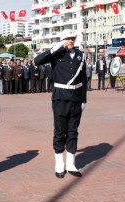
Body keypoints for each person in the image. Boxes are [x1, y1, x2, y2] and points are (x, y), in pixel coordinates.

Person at [34, 29, 87, 179]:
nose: (71, 40)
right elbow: (37, 61)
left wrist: (83, 100)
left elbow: (83, 79)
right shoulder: (56, 55)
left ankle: (71, 163)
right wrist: (53, 49)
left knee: (73, 131)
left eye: (72, 38)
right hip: (60, 98)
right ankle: (59, 164)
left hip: (76, 98)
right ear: (63, 40)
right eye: (68, 38)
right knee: (59, 131)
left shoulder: (80, 56)